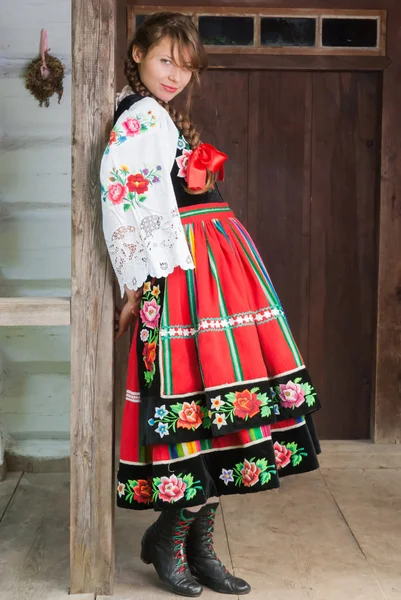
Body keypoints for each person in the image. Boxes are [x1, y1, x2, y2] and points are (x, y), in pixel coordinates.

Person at [100, 12, 321, 598]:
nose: (175, 74)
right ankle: (173, 541)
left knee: (220, 408)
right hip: (187, 277)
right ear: (139, 52)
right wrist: (132, 285)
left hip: (213, 273)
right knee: (204, 403)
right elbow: (123, 202)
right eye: (164, 59)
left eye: (185, 65)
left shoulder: (155, 112)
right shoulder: (142, 115)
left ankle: (192, 544)